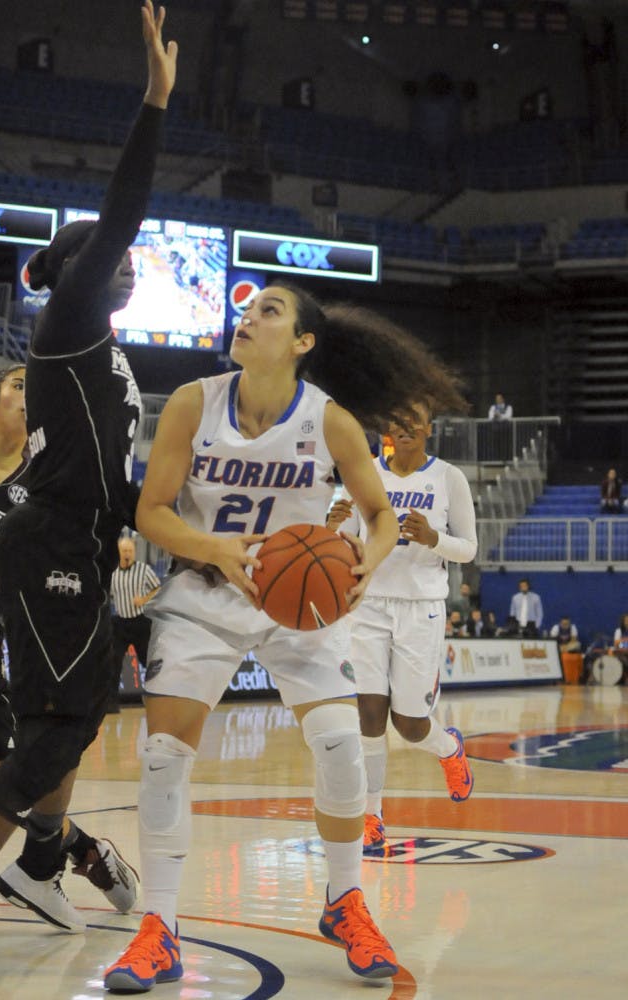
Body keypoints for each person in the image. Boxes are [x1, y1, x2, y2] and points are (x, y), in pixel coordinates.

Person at [103, 284, 468, 992]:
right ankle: (160, 927)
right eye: (247, 310)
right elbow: (150, 512)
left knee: (341, 746)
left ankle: (344, 901)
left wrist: (369, 561)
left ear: (303, 342)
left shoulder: (330, 423)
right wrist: (216, 549)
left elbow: (380, 515)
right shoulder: (191, 402)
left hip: (299, 609)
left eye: (269, 311)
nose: (250, 317)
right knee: (161, 757)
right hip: (207, 591)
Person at [0, 4, 177, 988]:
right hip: (46, 543)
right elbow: (125, 212)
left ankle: (46, 863)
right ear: (89, 269)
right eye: (117, 255)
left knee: (74, 727)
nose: (132, 262)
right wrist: (153, 105)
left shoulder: (104, 355)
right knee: (50, 735)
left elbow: (118, 477)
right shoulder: (68, 321)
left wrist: (166, 526)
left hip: (82, 545)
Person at [0, 368, 137, 982]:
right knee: (23, 784)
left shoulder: (40, 483)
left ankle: (58, 858)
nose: (30, 394)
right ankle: (79, 854)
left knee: (17, 787)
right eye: (18, 385)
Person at [326, 401, 477, 854]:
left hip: (422, 608)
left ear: (429, 428)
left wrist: (434, 538)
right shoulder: (364, 473)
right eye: (396, 419)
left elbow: (468, 549)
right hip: (369, 604)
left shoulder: (449, 478)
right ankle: (372, 814)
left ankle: (448, 748)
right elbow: (342, 543)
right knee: (368, 717)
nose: (404, 426)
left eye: (414, 419)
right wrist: (329, 528)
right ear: (387, 428)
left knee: (410, 725)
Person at [108, 534, 161, 712]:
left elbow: (158, 587)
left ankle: (156, 699)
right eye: (124, 551)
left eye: (130, 550)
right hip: (120, 623)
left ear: (135, 552)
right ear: (118, 552)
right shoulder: (112, 571)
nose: (127, 554)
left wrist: (145, 599)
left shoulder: (143, 570)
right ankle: (111, 704)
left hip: (140, 622)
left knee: (148, 661)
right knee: (113, 663)